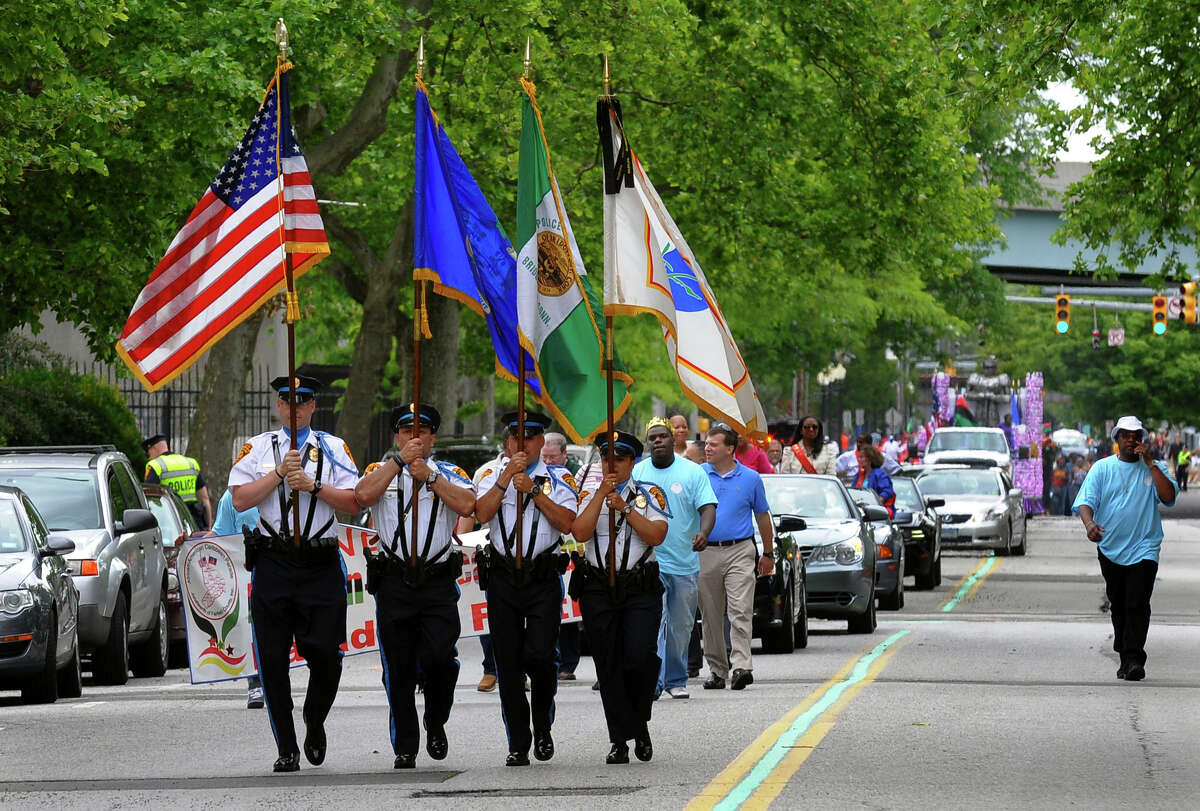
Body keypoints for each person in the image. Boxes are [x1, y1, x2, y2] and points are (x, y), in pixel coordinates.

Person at [228, 375, 360, 773]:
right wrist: (279, 475)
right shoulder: (258, 448)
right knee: (271, 658)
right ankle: (286, 746)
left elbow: (354, 501)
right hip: (274, 562)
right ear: (278, 405)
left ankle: (314, 717)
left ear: (313, 406)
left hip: (319, 564)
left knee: (326, 655)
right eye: (286, 400)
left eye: (302, 400)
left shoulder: (333, 448)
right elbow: (239, 498)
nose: (294, 407)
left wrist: (314, 485)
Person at [354, 403, 476, 769]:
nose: (414, 437)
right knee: (399, 667)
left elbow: (469, 505)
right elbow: (361, 497)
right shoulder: (380, 471)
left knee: (441, 658)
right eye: (407, 431)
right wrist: (398, 464)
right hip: (394, 582)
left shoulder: (450, 472)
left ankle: (435, 720)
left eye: (421, 432)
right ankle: (405, 744)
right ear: (397, 436)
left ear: (433, 438)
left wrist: (431, 478)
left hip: (437, 581)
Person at [474, 411, 578, 767]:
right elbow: (482, 513)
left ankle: (542, 725)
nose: (524, 443)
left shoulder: (559, 476)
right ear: (507, 442)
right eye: (516, 437)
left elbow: (568, 523)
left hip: (542, 577)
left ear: (541, 442)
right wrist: (506, 478)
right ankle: (517, 741)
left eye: (531, 436)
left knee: (541, 655)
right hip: (503, 576)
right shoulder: (488, 473)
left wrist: (533, 490)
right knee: (508, 662)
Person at [571, 430, 670, 764]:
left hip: (638, 587)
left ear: (632, 462)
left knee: (639, 657)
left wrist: (626, 508)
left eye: (619, 458)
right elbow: (580, 532)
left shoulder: (649, 493)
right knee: (609, 664)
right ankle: (619, 740)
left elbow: (657, 535)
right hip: (599, 587)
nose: (610, 464)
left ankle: (638, 724)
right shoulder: (589, 492)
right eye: (605, 458)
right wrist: (601, 495)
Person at [1073, 416, 1177, 682]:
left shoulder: (1155, 468)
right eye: (1126, 435)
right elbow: (1085, 502)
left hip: (1145, 546)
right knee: (1119, 603)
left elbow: (1168, 497)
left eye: (1136, 435)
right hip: (1110, 547)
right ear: (1117, 440)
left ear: (1143, 440)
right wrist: (1089, 525)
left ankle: (1134, 659)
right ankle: (1124, 653)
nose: (1132, 439)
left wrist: (1151, 464)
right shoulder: (1102, 468)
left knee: (1137, 602)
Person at [634, 418, 716, 701]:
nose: (658, 441)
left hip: (684, 562)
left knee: (680, 626)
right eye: (653, 437)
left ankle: (676, 679)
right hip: (649, 562)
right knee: (655, 624)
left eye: (663, 437)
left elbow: (707, 507)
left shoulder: (692, 472)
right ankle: (654, 681)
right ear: (648, 443)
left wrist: (703, 533)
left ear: (673, 441)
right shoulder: (637, 473)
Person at [698, 423, 775, 691]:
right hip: (705, 551)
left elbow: (762, 516)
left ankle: (742, 666)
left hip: (740, 550)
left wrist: (768, 552)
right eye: (706, 443)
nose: (707, 447)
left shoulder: (751, 478)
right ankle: (717, 670)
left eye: (713, 444)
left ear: (730, 449)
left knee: (740, 609)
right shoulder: (698, 475)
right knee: (710, 614)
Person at [210, 490, 264, 710]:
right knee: (252, 631)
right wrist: (190, 544)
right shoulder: (232, 497)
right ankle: (255, 682)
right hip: (247, 578)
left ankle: (277, 680)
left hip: (282, 572)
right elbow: (219, 534)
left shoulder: (288, 488)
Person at [542, 432, 581, 681]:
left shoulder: (575, 475)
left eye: (552, 457)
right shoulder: (538, 474)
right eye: (543, 457)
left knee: (570, 608)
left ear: (565, 455)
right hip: (550, 549)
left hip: (573, 547)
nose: (547, 462)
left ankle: (568, 661)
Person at [143, 434, 213, 529]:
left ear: (154, 448)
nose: (149, 457)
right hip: (193, 522)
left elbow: (148, 498)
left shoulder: (156, 465)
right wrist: (209, 525)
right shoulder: (191, 463)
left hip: (170, 523)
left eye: (149, 453)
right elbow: (205, 498)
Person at [853, 445, 895, 517]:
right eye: (858, 457)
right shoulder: (860, 475)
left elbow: (886, 492)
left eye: (861, 457)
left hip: (877, 515)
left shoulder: (880, 474)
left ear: (870, 459)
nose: (859, 460)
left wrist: (874, 506)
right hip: (861, 513)